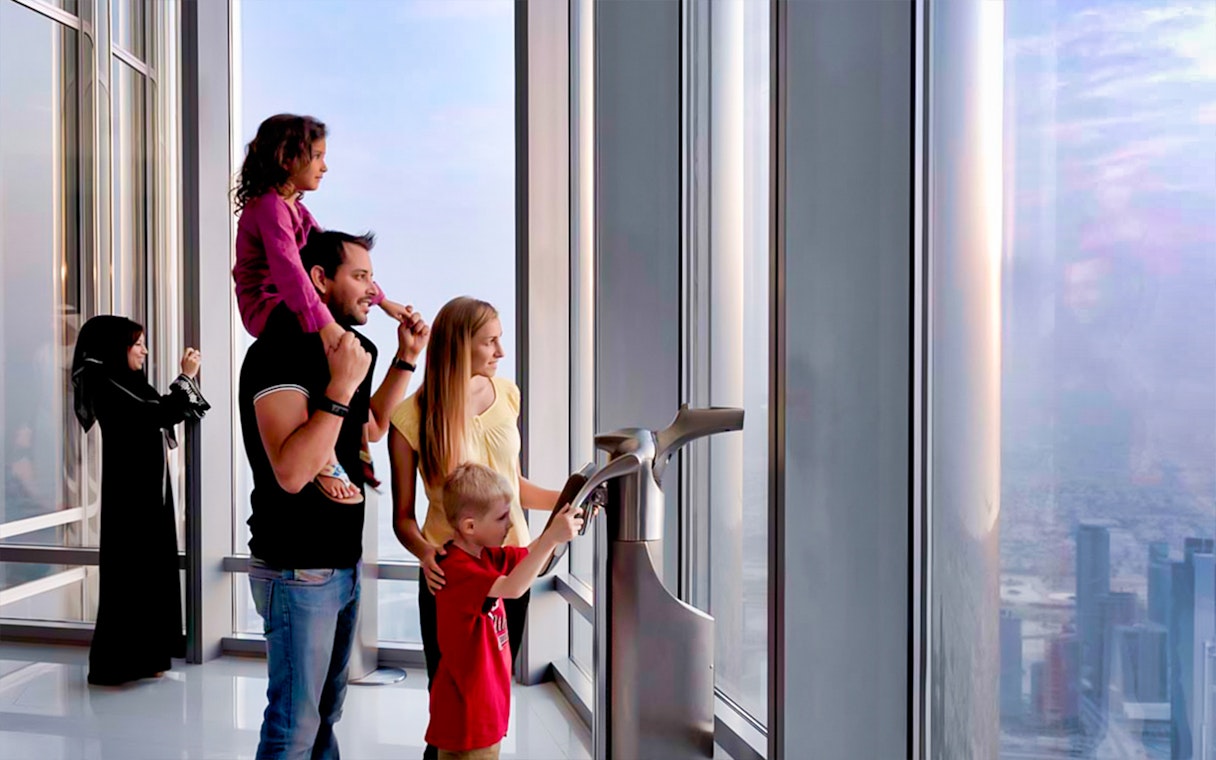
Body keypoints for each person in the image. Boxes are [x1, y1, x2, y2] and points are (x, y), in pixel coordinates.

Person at [239, 229, 429, 759]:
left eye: (373, 277)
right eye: (360, 276)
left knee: (325, 715)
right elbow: (294, 471)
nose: (373, 290)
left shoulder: (355, 349)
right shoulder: (275, 352)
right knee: (293, 724)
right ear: (319, 281)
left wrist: (405, 357)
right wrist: (341, 384)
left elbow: (367, 427)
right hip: (297, 567)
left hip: (342, 563)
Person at [388, 296, 563, 760]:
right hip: (452, 578)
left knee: (491, 691)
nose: (500, 352)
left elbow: (512, 485)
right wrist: (427, 554)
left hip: (512, 568)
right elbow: (402, 518)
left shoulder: (506, 394)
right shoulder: (409, 418)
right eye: (490, 341)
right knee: (449, 699)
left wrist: (567, 498)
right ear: (459, 346)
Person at [232, 113, 415, 504]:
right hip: (266, 304)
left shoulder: (295, 209)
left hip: (289, 301)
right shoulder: (267, 208)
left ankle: (327, 445)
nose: (324, 166)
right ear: (287, 158)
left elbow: (329, 261)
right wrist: (327, 326)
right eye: (316, 156)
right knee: (327, 348)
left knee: (335, 355)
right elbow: (291, 272)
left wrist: (383, 302)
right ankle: (324, 458)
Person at [70, 315, 209, 686]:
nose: (144, 350)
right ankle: (116, 665)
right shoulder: (106, 384)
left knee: (148, 571)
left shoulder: (127, 383)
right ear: (117, 348)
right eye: (137, 344)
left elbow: (161, 410)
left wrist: (182, 387)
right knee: (130, 575)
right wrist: (186, 376)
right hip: (130, 498)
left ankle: (147, 657)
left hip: (147, 493)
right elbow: (158, 413)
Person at [426, 464, 582, 760]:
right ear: (469, 526)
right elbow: (514, 588)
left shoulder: (486, 555)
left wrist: (559, 529)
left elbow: (528, 556)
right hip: (466, 717)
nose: (510, 524)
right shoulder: (456, 568)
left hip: (484, 707)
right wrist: (552, 538)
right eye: (501, 517)